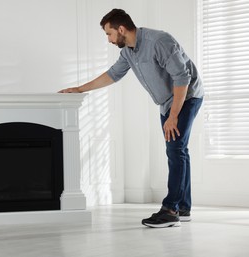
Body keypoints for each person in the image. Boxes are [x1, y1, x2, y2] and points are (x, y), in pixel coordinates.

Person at [59, 8, 204, 228]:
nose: (108, 39)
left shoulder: (159, 41)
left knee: (175, 149)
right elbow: (112, 75)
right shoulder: (128, 51)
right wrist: (79, 89)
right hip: (167, 101)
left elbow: (182, 77)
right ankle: (183, 207)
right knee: (178, 150)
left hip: (186, 96)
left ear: (121, 29)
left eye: (109, 34)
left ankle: (171, 210)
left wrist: (173, 116)